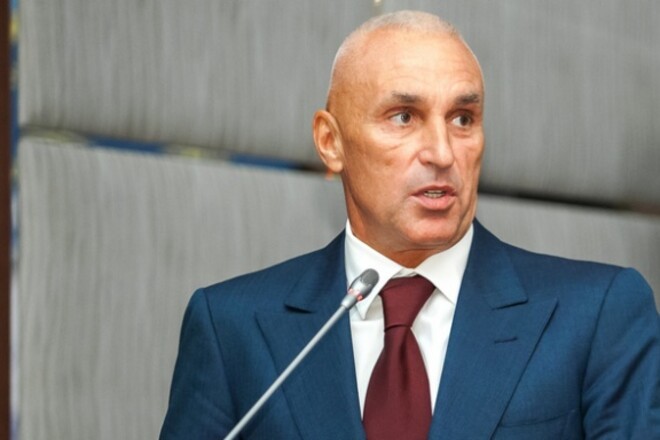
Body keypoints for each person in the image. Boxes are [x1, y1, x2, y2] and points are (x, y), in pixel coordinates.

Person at [160, 10, 660, 439]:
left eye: (462, 118)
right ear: (331, 142)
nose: (442, 153)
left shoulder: (597, 315)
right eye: (403, 117)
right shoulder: (232, 326)